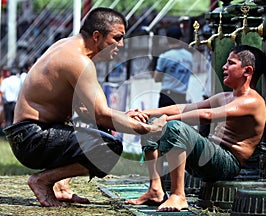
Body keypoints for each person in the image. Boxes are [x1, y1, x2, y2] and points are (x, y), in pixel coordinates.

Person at [2, 7, 164, 207]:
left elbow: (91, 112)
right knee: (109, 148)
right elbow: (101, 114)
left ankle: (61, 186)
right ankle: (43, 180)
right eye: (117, 38)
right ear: (97, 36)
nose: (121, 45)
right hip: (32, 139)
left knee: (99, 129)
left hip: (29, 136)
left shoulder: (68, 47)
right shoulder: (78, 61)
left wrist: (124, 116)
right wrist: (147, 130)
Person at [125, 45, 266, 212]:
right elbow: (183, 108)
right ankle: (155, 190)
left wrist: (165, 121)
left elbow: (207, 115)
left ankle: (178, 196)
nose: (224, 67)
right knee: (149, 125)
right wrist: (145, 113)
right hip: (207, 156)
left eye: (231, 63)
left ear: (247, 71)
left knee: (173, 127)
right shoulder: (225, 96)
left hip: (226, 163)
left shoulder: (252, 101)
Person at [154, 25, 193, 107]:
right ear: (181, 39)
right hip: (182, 97)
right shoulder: (189, 56)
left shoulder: (165, 56)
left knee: (163, 119)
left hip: (167, 96)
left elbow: (156, 78)